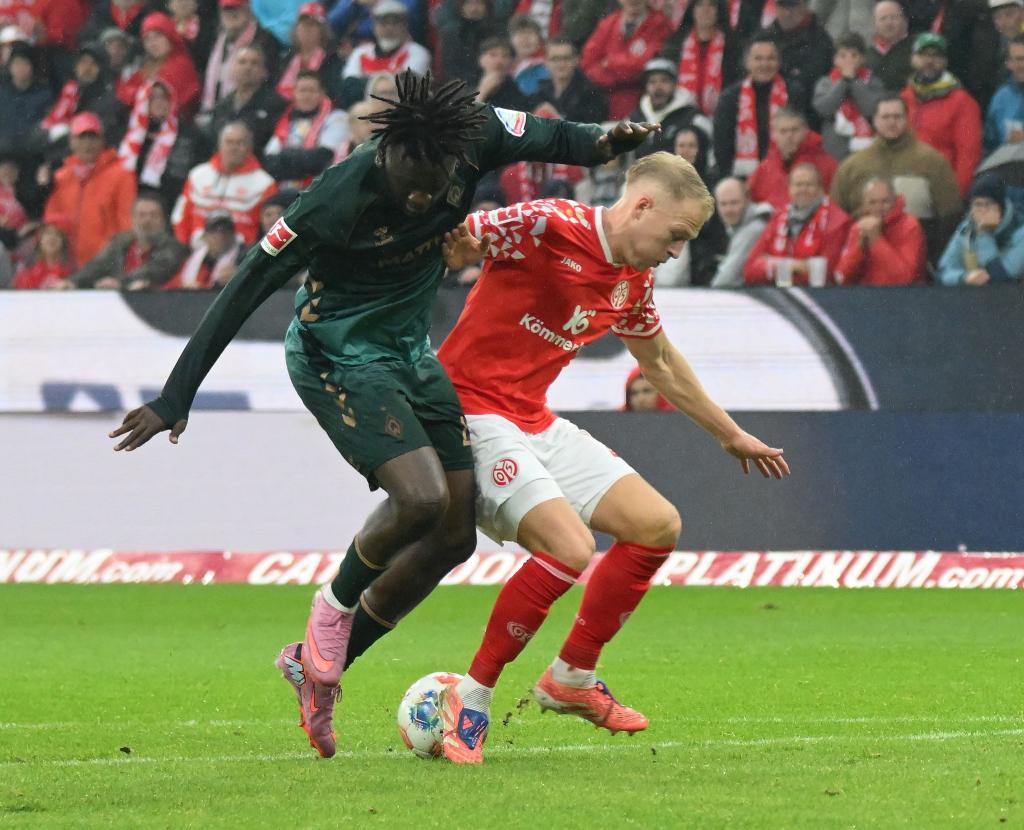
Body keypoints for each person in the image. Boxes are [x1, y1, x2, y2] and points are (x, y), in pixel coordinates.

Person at [106, 69, 659, 761]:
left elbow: (545, 135)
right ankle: (329, 615)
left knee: (454, 535)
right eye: (411, 183)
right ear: (387, 152)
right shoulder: (334, 198)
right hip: (337, 349)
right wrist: (175, 394)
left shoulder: (470, 135)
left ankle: (314, 669)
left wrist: (604, 143)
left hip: (409, 351)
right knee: (421, 498)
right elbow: (246, 284)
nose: (425, 196)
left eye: (436, 184)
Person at [431, 152, 789, 764]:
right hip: (471, 410)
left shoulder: (635, 281)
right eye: (676, 235)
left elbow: (661, 363)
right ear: (642, 205)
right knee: (570, 549)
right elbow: (456, 241)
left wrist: (730, 435)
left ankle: (570, 677)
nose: (676, 252)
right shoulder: (548, 224)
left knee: (656, 525)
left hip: (531, 417)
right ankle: (470, 698)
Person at [830, 94, 961, 262]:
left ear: (908, 119)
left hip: (917, 258)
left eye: (897, 117)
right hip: (862, 260)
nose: (891, 122)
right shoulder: (851, 167)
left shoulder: (932, 162)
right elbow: (836, 219)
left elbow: (950, 214)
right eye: (885, 117)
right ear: (875, 120)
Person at [42, 112, 137, 266]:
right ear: (71, 142)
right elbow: (53, 222)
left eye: (92, 137)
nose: (87, 144)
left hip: (104, 265)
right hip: (67, 266)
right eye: (82, 138)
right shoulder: (61, 177)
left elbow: (126, 224)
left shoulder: (121, 175)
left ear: (102, 140)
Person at [713, 32, 805, 178]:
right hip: (743, 178)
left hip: (788, 174)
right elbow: (722, 146)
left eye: (770, 58)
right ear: (747, 62)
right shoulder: (730, 98)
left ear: (779, 62)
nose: (764, 64)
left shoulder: (794, 93)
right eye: (758, 59)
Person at [900, 32, 981, 197]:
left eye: (936, 56)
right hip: (903, 187)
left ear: (945, 61)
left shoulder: (962, 102)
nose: (929, 61)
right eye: (923, 55)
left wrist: (956, 196)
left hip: (940, 190)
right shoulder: (904, 97)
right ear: (913, 59)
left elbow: (968, 155)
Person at [173, 121, 276, 247]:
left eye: (239, 143)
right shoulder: (197, 175)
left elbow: (268, 229)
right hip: (195, 254)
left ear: (250, 148)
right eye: (229, 142)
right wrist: (184, 250)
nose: (233, 148)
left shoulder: (265, 184)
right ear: (220, 145)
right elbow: (181, 218)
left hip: (239, 257)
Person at [745, 162, 850, 285]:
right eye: (798, 185)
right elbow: (749, 270)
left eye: (809, 185)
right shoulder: (778, 218)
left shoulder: (837, 221)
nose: (802, 189)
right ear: (789, 189)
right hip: (778, 296)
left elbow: (826, 273)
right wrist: (791, 266)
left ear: (821, 188)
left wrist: (773, 265)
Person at [65, 191, 187, 290]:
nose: (147, 220)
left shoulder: (173, 247)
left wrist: (120, 284)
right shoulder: (119, 243)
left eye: (153, 215)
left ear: (162, 219)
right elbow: (96, 266)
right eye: (142, 215)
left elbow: (154, 272)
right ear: (132, 218)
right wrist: (71, 282)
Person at [117, 80, 201, 214]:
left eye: (164, 97)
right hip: (130, 205)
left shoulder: (187, 136)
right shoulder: (127, 135)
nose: (160, 102)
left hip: (169, 206)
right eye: (153, 97)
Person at [581, 0, 674, 119]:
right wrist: (625, 66)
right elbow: (587, 64)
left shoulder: (660, 24)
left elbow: (643, 67)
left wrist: (608, 63)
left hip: (641, 105)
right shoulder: (608, 23)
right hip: (604, 104)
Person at [262, 69, 347, 188]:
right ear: (294, 93)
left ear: (322, 93)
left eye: (312, 91)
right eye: (302, 90)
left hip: (318, 188)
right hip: (283, 190)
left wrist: (286, 156)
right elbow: (269, 162)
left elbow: (321, 159)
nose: (306, 96)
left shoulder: (337, 118)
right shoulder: (286, 120)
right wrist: (301, 162)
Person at [835, 175, 926, 285]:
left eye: (884, 201)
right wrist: (859, 248)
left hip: (902, 297)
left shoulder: (910, 226)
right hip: (864, 297)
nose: (879, 208)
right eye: (872, 202)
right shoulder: (859, 228)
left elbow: (906, 279)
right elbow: (841, 277)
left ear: (894, 200)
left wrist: (876, 240)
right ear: (864, 205)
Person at [199, 44, 287, 156]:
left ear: (264, 72)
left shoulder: (276, 105)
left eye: (254, 63)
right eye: (242, 62)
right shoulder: (222, 105)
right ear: (232, 69)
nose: (247, 67)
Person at [937, 172, 1024, 285]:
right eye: (977, 204)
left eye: (988, 204)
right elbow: (943, 271)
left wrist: (984, 234)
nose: (982, 210)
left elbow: (1002, 277)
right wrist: (963, 277)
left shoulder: (1020, 230)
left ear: (1001, 207)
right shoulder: (967, 226)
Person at [812, 32, 885, 160]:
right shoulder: (826, 82)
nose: (848, 60)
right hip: (835, 149)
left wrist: (854, 81)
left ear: (863, 58)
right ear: (835, 59)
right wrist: (844, 82)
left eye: (854, 55)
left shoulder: (873, 82)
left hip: (868, 149)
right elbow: (824, 109)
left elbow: (872, 109)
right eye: (842, 56)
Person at [200, 0, 280, 116]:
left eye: (236, 9)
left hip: (250, 109)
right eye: (227, 10)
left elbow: (270, 82)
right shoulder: (216, 38)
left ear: (248, 9)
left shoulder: (266, 41)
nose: (232, 14)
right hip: (214, 110)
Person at [748, 106, 837, 211]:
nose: (789, 136)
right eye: (783, 131)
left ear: (806, 131)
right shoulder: (765, 167)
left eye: (794, 130)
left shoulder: (827, 165)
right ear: (774, 134)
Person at [118, 11, 200, 119]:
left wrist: (134, 95)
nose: (152, 43)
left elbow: (160, 98)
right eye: (147, 39)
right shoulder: (146, 65)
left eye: (158, 36)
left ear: (169, 36)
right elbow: (123, 90)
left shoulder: (181, 64)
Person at [668, 0, 742, 118]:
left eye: (711, 5)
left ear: (719, 10)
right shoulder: (677, 44)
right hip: (682, 117)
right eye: (699, 5)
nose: (705, 10)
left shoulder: (732, 46)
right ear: (692, 9)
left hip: (721, 115)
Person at [629, 57, 712, 159]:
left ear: (675, 84)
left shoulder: (693, 118)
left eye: (664, 81)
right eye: (652, 82)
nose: (658, 87)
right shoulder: (635, 118)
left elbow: (711, 154)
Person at [764, 0, 833, 120]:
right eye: (782, 6)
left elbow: (812, 84)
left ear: (806, 7)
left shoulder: (821, 41)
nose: (787, 13)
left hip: (806, 117)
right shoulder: (763, 38)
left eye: (792, 6)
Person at [340, 0, 430, 82]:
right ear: (374, 27)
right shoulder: (360, 53)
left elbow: (406, 85)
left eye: (395, 22)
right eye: (383, 22)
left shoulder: (417, 52)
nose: (389, 28)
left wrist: (364, 81)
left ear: (405, 26)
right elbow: (349, 85)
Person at [709, 175, 772, 287]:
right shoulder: (737, 226)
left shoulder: (755, 228)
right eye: (723, 204)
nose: (728, 210)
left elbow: (727, 278)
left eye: (734, 203)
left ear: (747, 200)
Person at [534, 34, 608, 124]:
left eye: (566, 58)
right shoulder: (541, 92)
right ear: (545, 62)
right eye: (554, 59)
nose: (561, 64)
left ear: (576, 60)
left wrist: (556, 118)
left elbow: (590, 131)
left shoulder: (590, 93)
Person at [276, 3, 340, 101]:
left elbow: (331, 92)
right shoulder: (288, 58)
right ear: (296, 29)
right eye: (303, 24)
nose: (307, 29)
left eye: (312, 25)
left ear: (322, 31)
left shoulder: (331, 59)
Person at [165, 208, 241, 288]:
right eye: (214, 230)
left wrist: (238, 277)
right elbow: (172, 285)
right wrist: (184, 287)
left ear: (233, 234)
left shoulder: (242, 259)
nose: (220, 236)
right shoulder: (192, 259)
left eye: (226, 230)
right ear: (205, 236)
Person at [984, 32, 1024, 155]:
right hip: (1009, 170)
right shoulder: (1001, 97)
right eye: (1018, 59)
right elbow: (990, 143)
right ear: (1009, 63)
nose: (1022, 65)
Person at [474, 36, 532, 111]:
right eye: (493, 55)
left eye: (505, 56)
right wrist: (482, 94)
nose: (499, 61)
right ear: (481, 59)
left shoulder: (515, 91)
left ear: (511, 61)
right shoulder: (466, 87)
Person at [866, 1, 913, 92]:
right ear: (874, 24)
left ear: (905, 20)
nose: (888, 23)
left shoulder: (917, 49)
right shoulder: (866, 56)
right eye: (883, 19)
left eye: (894, 17)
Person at [12, 220, 73, 289]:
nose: (52, 238)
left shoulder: (71, 270)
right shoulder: (27, 265)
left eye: (58, 234)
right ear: (40, 239)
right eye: (48, 233)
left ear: (63, 242)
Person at [508, 13, 549, 97]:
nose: (525, 39)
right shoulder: (504, 64)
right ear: (511, 39)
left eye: (530, 33)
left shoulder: (547, 67)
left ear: (539, 39)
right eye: (520, 34)